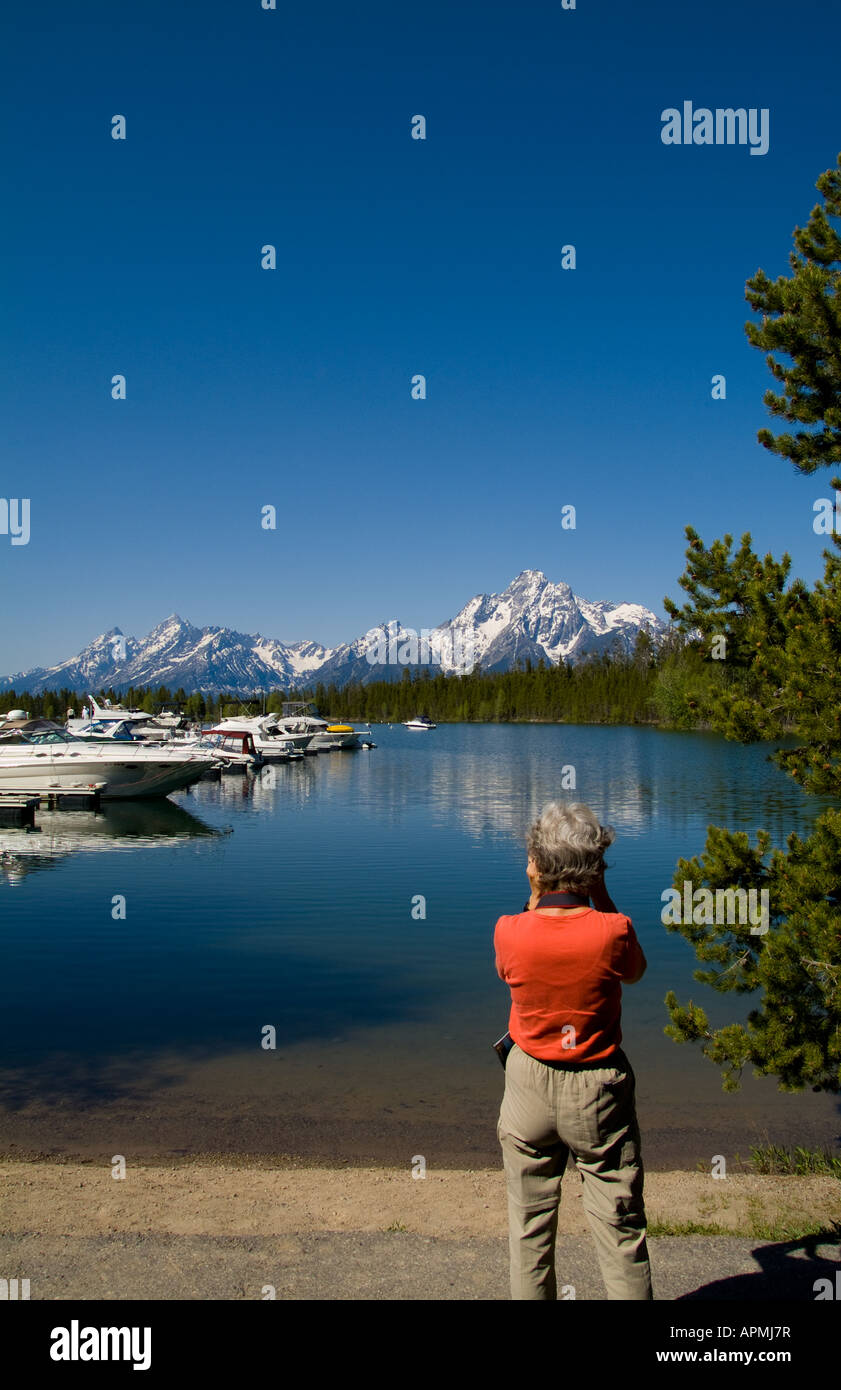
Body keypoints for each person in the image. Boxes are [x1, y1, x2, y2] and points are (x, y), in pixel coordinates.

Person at [494, 800, 652, 1301]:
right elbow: (636, 971)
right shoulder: (615, 930)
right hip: (598, 1087)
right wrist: (597, 888)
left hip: (528, 1084)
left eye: (530, 860)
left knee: (529, 1228)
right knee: (620, 1229)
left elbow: (519, 957)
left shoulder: (509, 931)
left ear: (538, 865)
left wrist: (538, 889)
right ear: (595, 869)